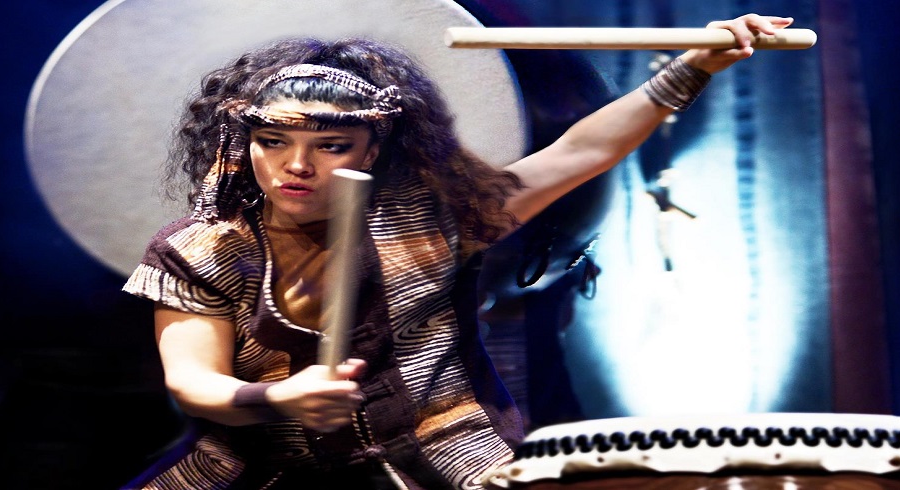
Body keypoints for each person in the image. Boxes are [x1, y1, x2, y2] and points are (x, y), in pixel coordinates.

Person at [121, 13, 794, 489]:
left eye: (330, 147)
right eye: (274, 142)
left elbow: (581, 152)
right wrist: (279, 398)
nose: (296, 166)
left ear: (372, 149)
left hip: (443, 449)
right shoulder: (201, 247)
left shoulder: (434, 219)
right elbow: (193, 381)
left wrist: (697, 65)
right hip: (260, 462)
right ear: (245, 143)